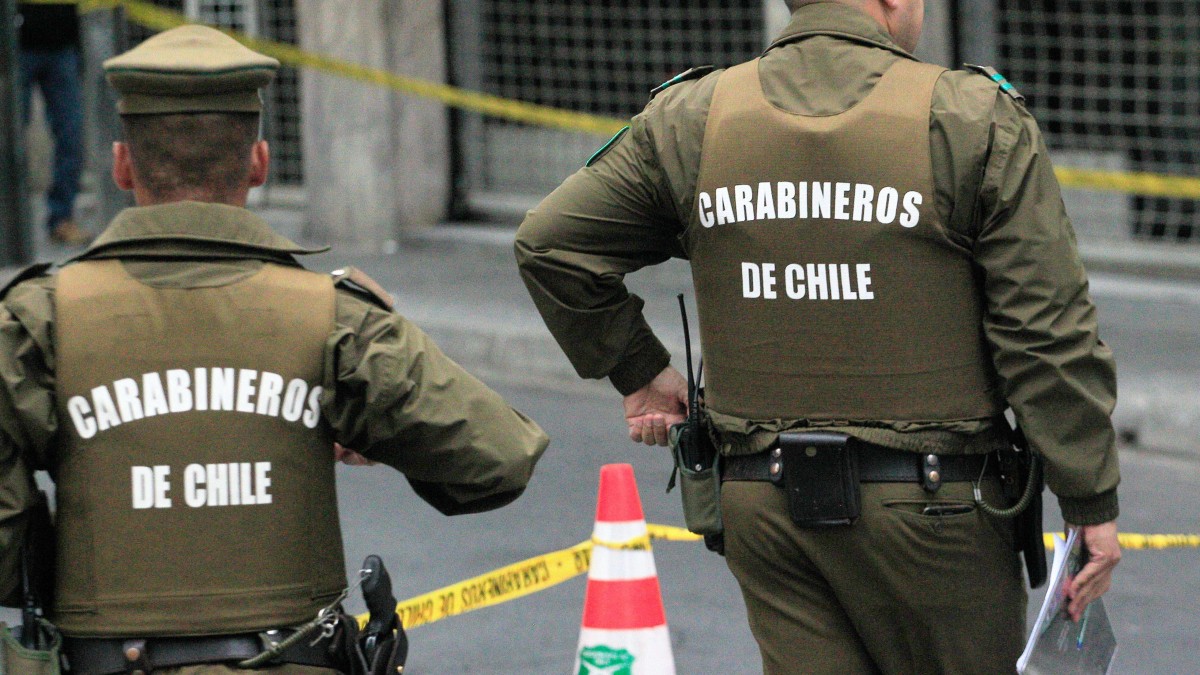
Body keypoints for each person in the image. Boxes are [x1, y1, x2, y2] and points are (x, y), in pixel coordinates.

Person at [514, 0, 1120, 672]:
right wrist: (1089, 496)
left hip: (764, 506)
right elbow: (1045, 330)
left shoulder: (693, 118)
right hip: (937, 510)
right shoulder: (971, 118)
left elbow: (550, 246)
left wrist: (640, 370)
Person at [0, 24, 548, 675]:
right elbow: (498, 457)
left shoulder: (38, 320)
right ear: (259, 163)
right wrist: (374, 429)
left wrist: (62, 570)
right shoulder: (335, 317)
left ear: (122, 165)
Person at [17, 2, 92, 245]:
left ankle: (62, 219)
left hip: (62, 44)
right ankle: (8, 227)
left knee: (71, 137)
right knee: (8, 140)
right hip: (14, 45)